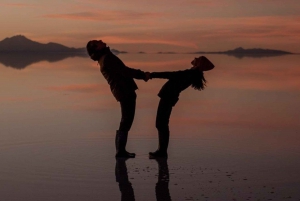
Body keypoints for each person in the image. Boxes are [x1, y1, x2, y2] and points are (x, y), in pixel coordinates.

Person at [86, 40, 150, 158]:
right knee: (126, 120)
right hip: (124, 91)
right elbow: (125, 71)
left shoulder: (105, 57)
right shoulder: (107, 58)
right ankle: (120, 152)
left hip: (122, 91)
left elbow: (123, 70)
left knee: (126, 120)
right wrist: (142, 75)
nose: (101, 41)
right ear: (96, 48)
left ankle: (121, 151)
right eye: (97, 42)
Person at [148, 56, 214, 158]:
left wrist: (151, 75)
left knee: (161, 124)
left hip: (168, 98)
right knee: (162, 124)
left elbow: (169, 74)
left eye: (198, 59)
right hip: (169, 97)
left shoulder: (189, 74)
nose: (195, 58)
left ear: (198, 64)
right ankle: (162, 151)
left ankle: (162, 152)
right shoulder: (191, 73)